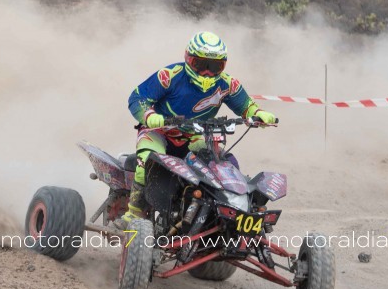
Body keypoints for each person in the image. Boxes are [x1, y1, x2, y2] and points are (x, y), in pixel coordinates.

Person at [113, 31, 277, 230]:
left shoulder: (227, 84)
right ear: (188, 59)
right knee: (145, 165)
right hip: (158, 132)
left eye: (215, 66)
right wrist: (149, 116)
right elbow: (137, 98)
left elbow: (246, 106)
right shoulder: (169, 76)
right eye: (201, 64)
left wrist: (259, 114)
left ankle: (227, 219)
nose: (207, 72)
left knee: (224, 165)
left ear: (223, 65)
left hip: (196, 135)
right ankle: (132, 216)